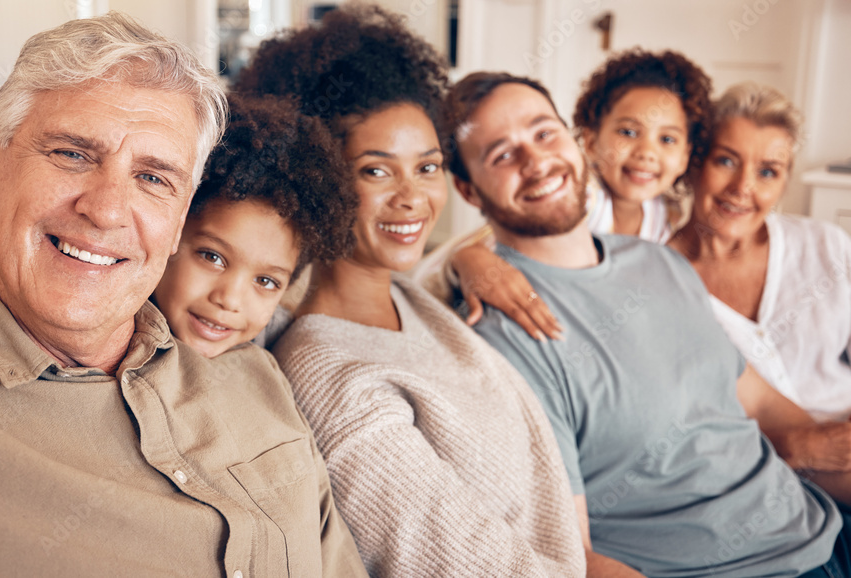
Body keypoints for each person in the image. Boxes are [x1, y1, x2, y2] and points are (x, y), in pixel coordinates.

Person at [0, 13, 367, 576]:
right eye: (73, 154)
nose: (104, 210)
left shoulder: (254, 371)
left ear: (179, 221)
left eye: (154, 178)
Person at [444, 70, 850, 577]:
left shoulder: (659, 261)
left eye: (544, 132)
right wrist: (466, 258)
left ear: (572, 140)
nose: (536, 160)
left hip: (822, 526)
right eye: (502, 154)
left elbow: (757, 399)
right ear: (467, 188)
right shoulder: (505, 333)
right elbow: (570, 552)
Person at [238, 5, 586, 576]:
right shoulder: (330, 379)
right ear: (319, 177)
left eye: (427, 167)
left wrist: (468, 258)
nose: (413, 198)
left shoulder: (410, 294)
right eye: (376, 171)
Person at [419, 49, 712, 339]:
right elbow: (443, 265)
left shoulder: (668, 215)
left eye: (667, 139)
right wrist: (469, 260)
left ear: (686, 155)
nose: (647, 153)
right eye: (628, 133)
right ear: (590, 141)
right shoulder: (580, 198)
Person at [668, 82, 851, 470]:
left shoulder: (826, 246)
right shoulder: (659, 278)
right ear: (695, 163)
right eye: (727, 161)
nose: (743, 189)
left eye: (768, 172)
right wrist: (795, 446)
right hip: (755, 466)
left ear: (784, 182)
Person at [152, 94, 357, 358]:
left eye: (266, 281)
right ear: (173, 229)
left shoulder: (269, 366)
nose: (230, 300)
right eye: (212, 257)